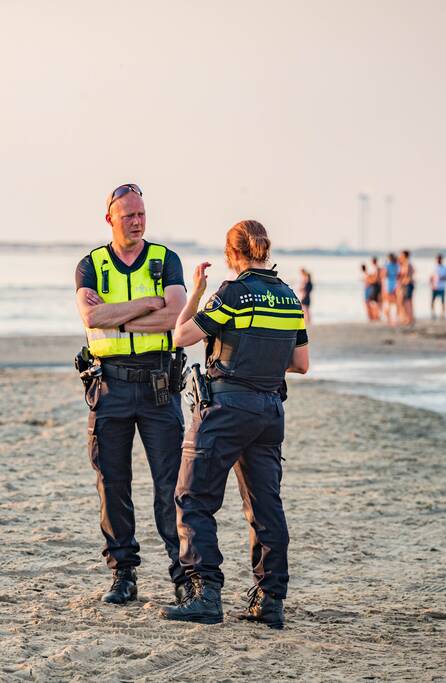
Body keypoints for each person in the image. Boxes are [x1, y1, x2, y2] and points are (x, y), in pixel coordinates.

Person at [159, 219, 309, 629]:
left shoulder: (232, 293)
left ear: (232, 253)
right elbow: (301, 364)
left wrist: (196, 294)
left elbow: (181, 336)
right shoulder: (289, 297)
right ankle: (270, 599)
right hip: (270, 409)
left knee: (193, 497)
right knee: (265, 504)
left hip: (225, 407)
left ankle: (205, 594)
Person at [74, 183, 189, 606]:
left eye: (142, 214)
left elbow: (177, 315)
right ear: (110, 219)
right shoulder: (91, 265)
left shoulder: (165, 259)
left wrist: (117, 317)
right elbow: (91, 317)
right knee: (112, 482)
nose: (137, 222)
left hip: (159, 385)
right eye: (129, 216)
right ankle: (124, 573)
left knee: (171, 485)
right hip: (109, 386)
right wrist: (147, 304)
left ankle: (184, 574)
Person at [429, 253, 446, 321]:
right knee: (432, 301)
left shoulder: (445, 268)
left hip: (442, 287)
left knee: (442, 302)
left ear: (442, 259)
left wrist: (443, 278)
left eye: (439, 259)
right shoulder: (433, 267)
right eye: (437, 259)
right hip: (434, 287)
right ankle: (433, 314)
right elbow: (430, 277)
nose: (438, 260)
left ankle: (443, 314)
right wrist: (431, 284)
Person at [398, 250, 415, 326]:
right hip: (406, 284)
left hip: (407, 285)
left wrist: (403, 282)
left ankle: (409, 319)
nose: (400, 256)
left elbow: (407, 276)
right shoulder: (405, 264)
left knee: (407, 302)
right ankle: (408, 318)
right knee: (406, 302)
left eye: (401, 255)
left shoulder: (407, 264)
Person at [384, 253, 399, 326]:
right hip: (396, 284)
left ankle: (389, 318)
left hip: (389, 284)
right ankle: (395, 317)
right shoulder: (397, 265)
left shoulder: (387, 265)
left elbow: (385, 275)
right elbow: (398, 275)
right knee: (395, 302)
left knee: (388, 302)